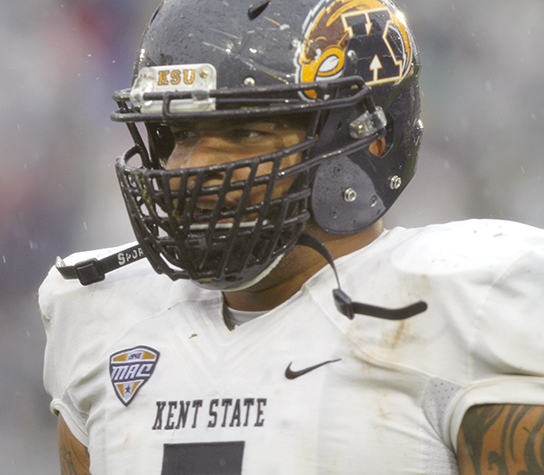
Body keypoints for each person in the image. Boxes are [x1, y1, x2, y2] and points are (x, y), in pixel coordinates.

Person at [38, 0, 544, 473]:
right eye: (182, 136)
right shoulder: (102, 317)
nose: (193, 168)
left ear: (363, 138)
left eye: (244, 133)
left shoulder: (466, 304)